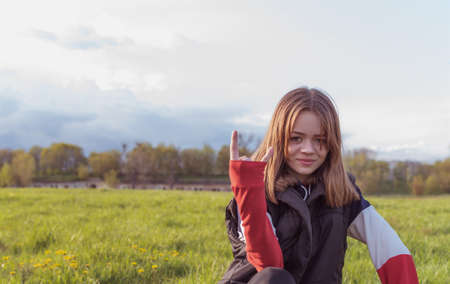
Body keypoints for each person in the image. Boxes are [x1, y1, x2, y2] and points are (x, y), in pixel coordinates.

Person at [218, 88, 419, 284]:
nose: (308, 149)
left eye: (319, 140)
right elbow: (269, 264)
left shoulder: (342, 194)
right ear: (278, 139)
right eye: (296, 138)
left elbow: (388, 245)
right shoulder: (254, 191)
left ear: (332, 143)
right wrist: (249, 191)